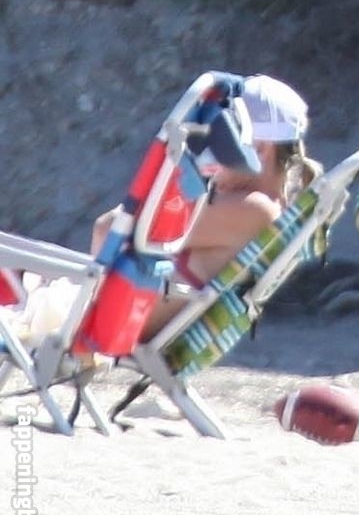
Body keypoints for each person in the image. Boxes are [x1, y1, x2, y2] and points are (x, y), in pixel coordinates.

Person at [87, 73, 320, 338]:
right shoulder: (260, 209)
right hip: (113, 319)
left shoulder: (254, 209)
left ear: (259, 149)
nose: (210, 153)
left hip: (104, 325)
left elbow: (108, 228)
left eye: (221, 141)